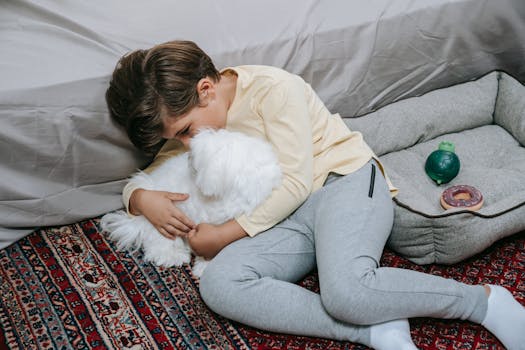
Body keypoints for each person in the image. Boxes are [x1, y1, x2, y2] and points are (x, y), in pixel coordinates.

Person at [105, 40, 525, 349]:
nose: (187, 145)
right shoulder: (194, 120)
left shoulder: (274, 89)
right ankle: (373, 330)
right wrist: (142, 200)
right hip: (287, 219)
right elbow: (145, 177)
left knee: (348, 292)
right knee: (220, 283)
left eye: (184, 133)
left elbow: (295, 183)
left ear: (206, 90)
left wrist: (224, 234)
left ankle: (483, 302)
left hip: (345, 183)